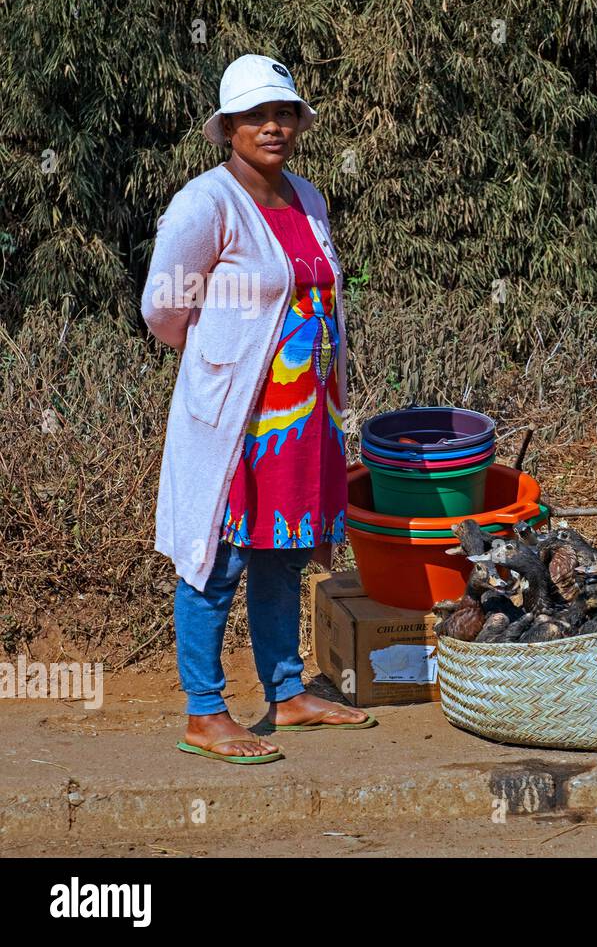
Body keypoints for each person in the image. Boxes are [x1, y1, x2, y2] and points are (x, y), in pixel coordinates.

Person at [142, 54, 374, 764]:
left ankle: (286, 690)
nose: (272, 127)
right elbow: (163, 308)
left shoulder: (307, 196)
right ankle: (205, 711)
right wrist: (226, 360)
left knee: (285, 551)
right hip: (238, 418)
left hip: (304, 419)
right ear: (228, 129)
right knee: (219, 555)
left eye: (283, 114)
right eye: (255, 116)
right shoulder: (205, 204)